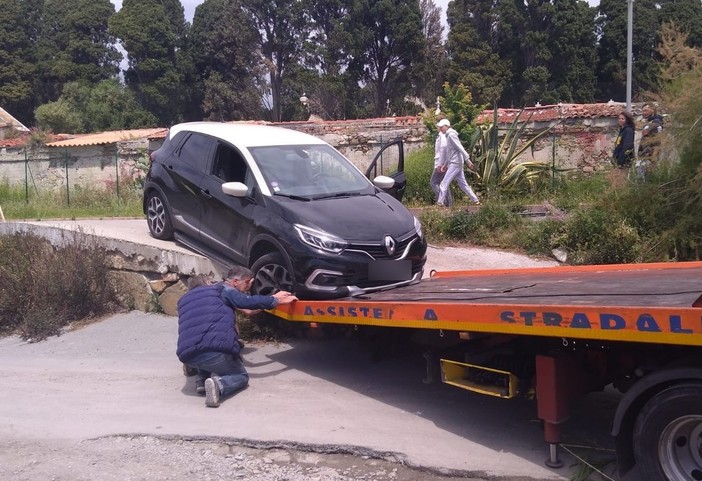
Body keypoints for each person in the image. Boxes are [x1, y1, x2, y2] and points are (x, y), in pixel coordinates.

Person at [176, 266, 298, 408]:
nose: (247, 288)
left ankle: (201, 381)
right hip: (214, 352)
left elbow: (247, 310)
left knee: (202, 343)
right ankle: (219, 385)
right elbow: (247, 303)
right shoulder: (222, 290)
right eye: (247, 283)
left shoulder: (184, 301)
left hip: (187, 356)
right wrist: (274, 300)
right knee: (240, 376)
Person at [435, 118, 480, 206]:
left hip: (455, 163)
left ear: (447, 126)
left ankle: (440, 203)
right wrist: (445, 165)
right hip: (456, 162)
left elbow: (460, 148)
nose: (440, 129)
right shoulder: (448, 135)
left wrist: (468, 160)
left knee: (444, 183)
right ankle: (475, 200)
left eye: (441, 127)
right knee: (463, 184)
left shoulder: (451, 135)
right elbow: (450, 153)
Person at [636, 103, 664, 178]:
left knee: (642, 176)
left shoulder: (656, 122)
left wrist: (647, 128)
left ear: (653, 110)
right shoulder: (652, 122)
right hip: (647, 153)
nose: (643, 113)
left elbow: (646, 132)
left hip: (649, 153)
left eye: (646, 110)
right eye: (643, 111)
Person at [430, 128, 452, 207]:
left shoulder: (442, 136)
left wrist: (440, 165)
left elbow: (443, 150)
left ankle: (444, 200)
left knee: (433, 182)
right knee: (444, 183)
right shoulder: (441, 136)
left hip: (440, 163)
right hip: (442, 163)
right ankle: (449, 203)